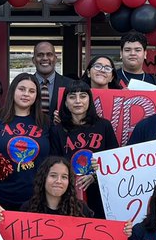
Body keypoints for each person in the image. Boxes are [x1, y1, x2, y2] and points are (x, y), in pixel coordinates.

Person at [0, 72, 48, 212]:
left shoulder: (46, 122)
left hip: (34, 196)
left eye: (31, 91)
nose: (26, 94)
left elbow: (54, 158)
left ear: (37, 96)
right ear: (13, 91)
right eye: (21, 89)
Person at [50, 81, 117, 218]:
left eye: (83, 96)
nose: (78, 101)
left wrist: (94, 176)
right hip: (69, 194)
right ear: (65, 103)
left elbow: (114, 160)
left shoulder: (104, 126)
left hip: (101, 195)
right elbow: (53, 163)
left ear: (89, 100)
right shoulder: (57, 130)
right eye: (72, 97)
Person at [32, 40, 74, 116]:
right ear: (33, 60)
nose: (45, 58)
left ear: (55, 59)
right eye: (40, 55)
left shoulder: (70, 84)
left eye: (49, 54)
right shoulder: (25, 85)